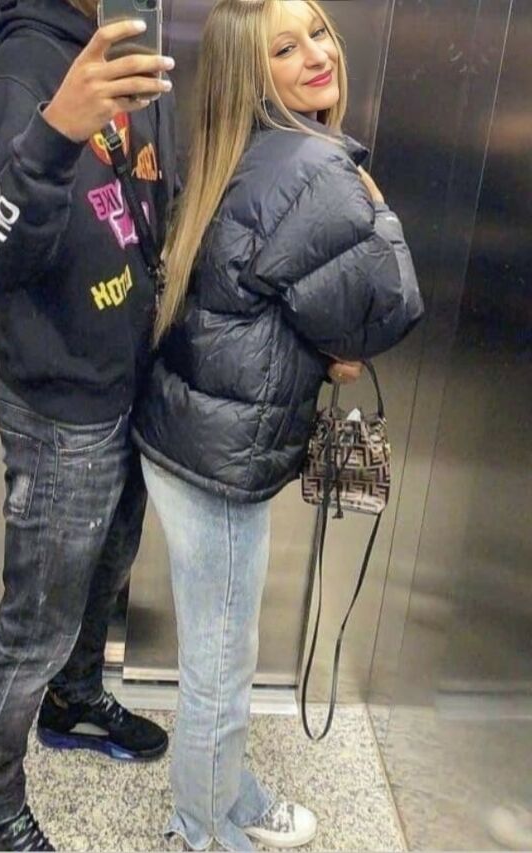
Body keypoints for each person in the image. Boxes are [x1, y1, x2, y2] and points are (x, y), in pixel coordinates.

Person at [132, 0, 424, 850]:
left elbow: (273, 297)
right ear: (250, 74)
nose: (316, 56)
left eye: (318, 34)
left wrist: (321, 345)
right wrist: (375, 200)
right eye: (285, 49)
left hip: (188, 435)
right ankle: (199, 830)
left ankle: (231, 795)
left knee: (221, 648)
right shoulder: (317, 166)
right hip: (221, 459)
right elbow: (387, 308)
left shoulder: (241, 146)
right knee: (220, 668)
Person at [0, 0, 178, 849]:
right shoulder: (21, 70)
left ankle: (75, 696)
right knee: (37, 619)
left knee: (104, 572)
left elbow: (139, 204)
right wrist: (53, 133)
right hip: (60, 406)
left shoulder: (122, 47)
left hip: (127, 379)